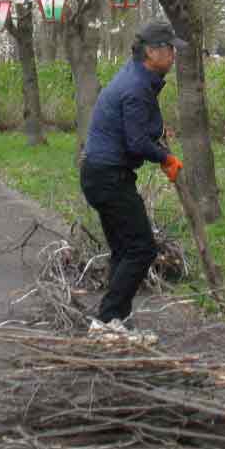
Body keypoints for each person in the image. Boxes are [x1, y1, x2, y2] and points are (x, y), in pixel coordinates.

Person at [80, 21, 185, 328]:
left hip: (99, 174)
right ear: (152, 52)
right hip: (109, 177)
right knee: (141, 249)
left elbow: (136, 127)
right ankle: (109, 319)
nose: (174, 56)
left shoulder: (137, 77)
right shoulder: (137, 86)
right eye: (170, 50)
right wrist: (166, 157)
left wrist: (159, 134)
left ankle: (113, 321)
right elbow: (136, 141)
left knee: (124, 250)